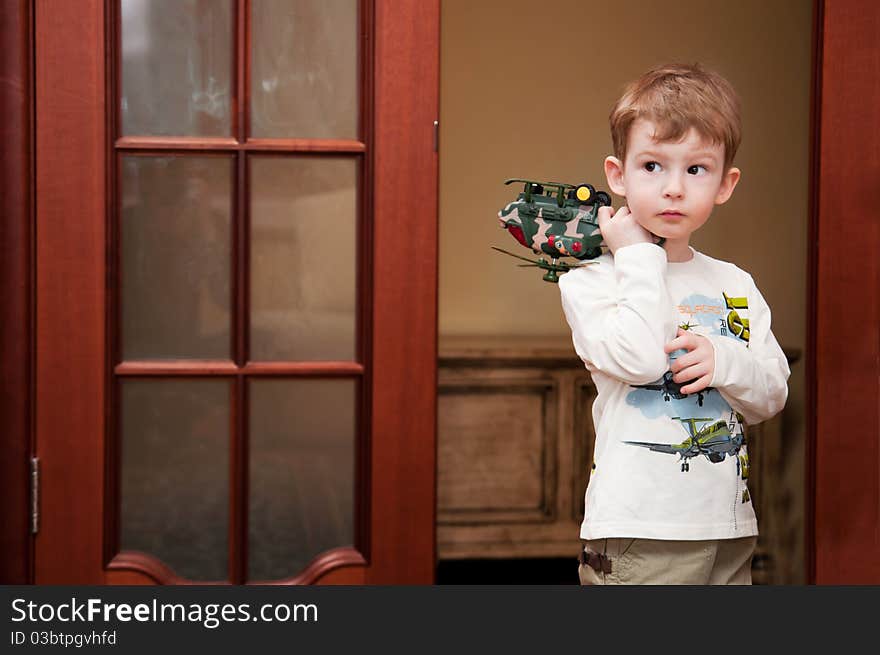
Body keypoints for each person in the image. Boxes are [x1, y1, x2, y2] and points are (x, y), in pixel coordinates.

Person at [558, 63, 790, 585]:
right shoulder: (592, 284)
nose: (673, 189)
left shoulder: (736, 283)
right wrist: (638, 260)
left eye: (695, 170)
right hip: (641, 530)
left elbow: (771, 396)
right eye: (652, 166)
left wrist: (724, 359)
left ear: (726, 183)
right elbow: (640, 363)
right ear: (617, 175)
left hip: (727, 526)